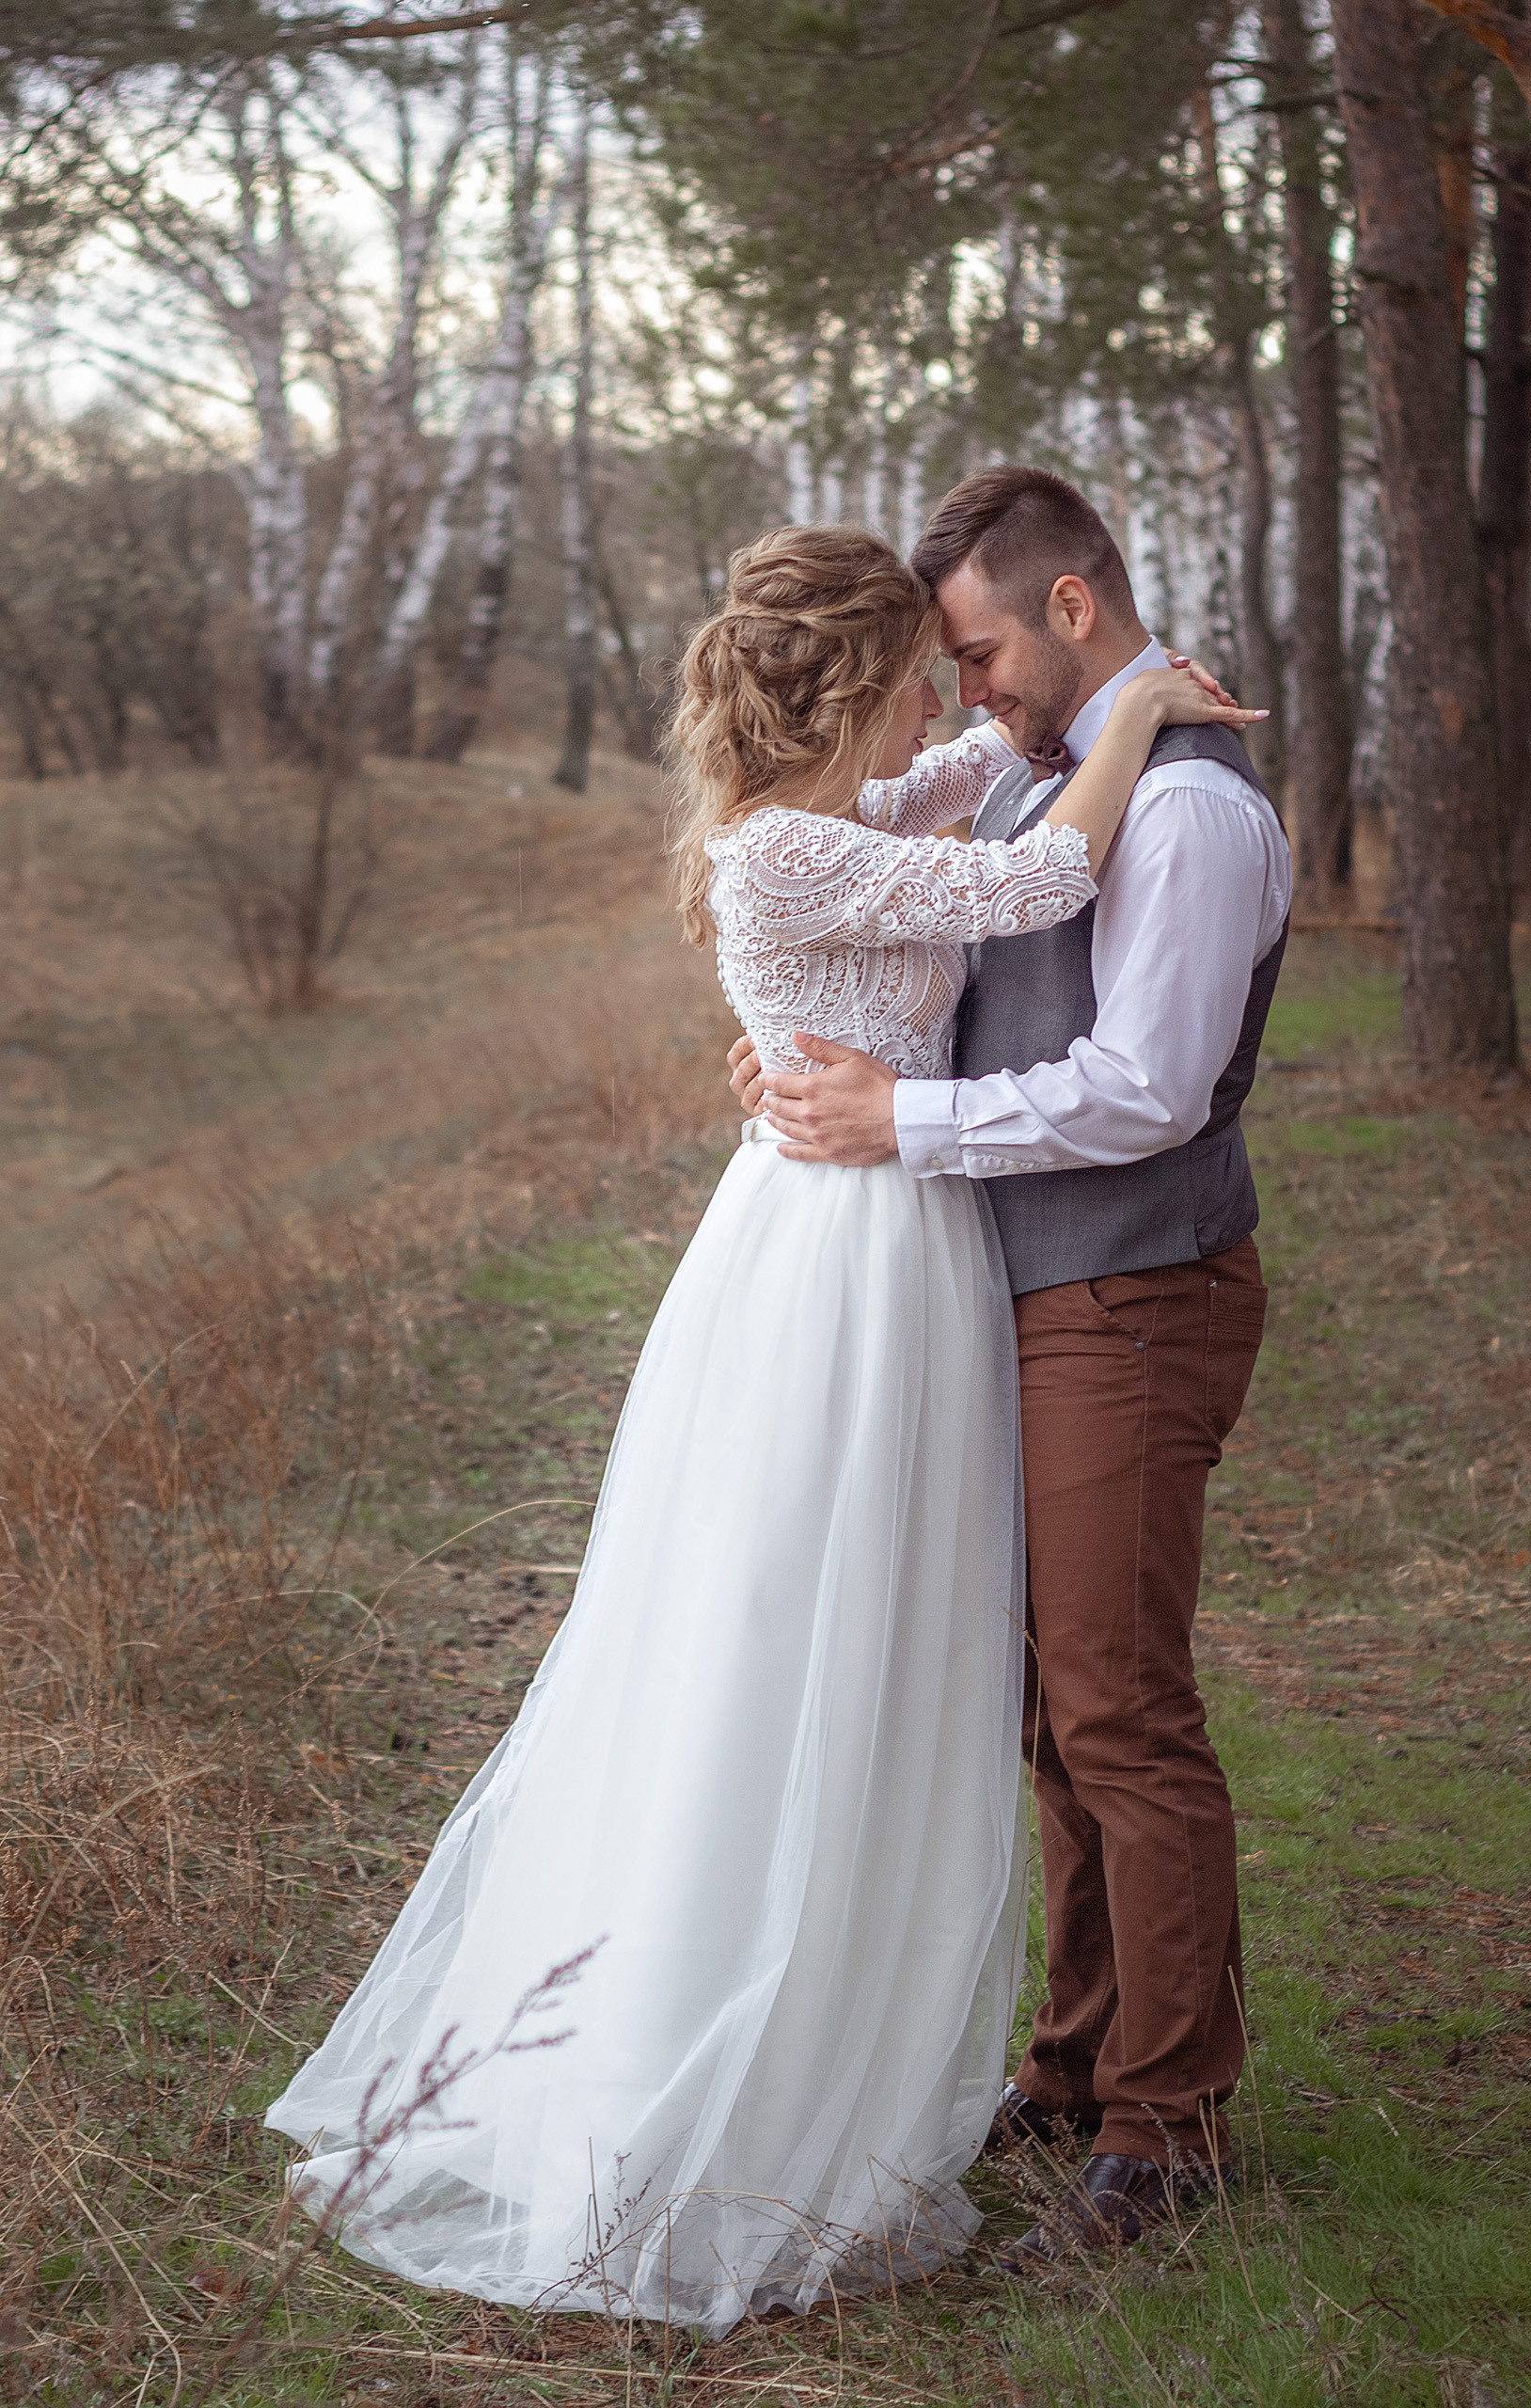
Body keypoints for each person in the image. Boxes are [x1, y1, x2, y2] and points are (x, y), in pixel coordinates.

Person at [264, 523, 1263, 2336]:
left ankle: (999, 2062)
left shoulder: (858, 812)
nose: (946, 705)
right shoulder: (793, 845)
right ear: (857, 686)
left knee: (917, 1645)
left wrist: (1110, 713)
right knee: (793, 1635)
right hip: (838, 1258)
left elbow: (980, 779)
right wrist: (1136, 730)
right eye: (920, 673)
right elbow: (1029, 887)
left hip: (901, 1235)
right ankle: (733, 2054)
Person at [733, 467, 1294, 2267]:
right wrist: (807, 1061)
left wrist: (901, 1115)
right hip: (1031, 1292)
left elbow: (1146, 1088)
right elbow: (929, 937)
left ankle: (1174, 2119)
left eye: (974, 651)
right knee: (1056, 1709)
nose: (962, 689)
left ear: (1067, 611)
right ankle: (1073, 2066)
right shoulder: (1047, 766)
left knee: (1121, 1708)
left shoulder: (1190, 814)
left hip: (1134, 1290)